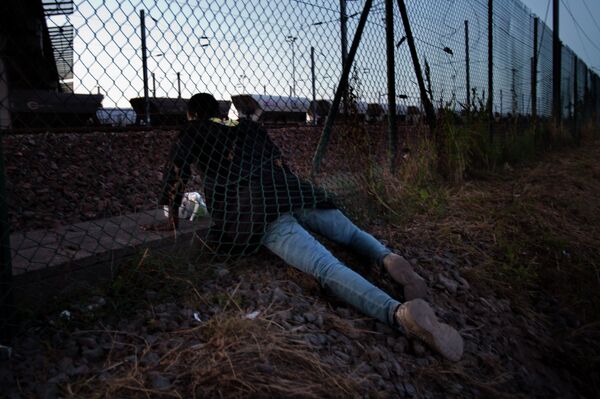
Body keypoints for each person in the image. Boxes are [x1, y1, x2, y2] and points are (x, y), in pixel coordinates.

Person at [153, 93, 463, 362]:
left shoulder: (193, 130)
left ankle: (398, 314)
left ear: (192, 114)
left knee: (326, 267)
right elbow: (279, 162)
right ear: (219, 112)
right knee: (352, 234)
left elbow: (176, 170)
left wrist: (171, 216)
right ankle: (389, 259)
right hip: (291, 190)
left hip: (257, 209)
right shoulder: (247, 125)